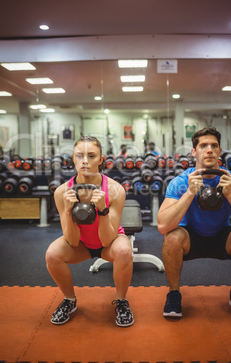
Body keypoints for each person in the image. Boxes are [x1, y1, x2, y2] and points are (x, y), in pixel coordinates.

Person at [157, 127, 231, 320]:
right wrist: (190, 192)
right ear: (194, 152)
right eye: (203, 146)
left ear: (219, 150)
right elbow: (163, 226)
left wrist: (230, 195)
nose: (209, 150)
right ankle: (174, 293)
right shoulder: (181, 182)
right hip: (190, 238)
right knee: (172, 237)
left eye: (213, 146)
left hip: (222, 237)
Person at [46, 135, 134, 327]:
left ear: (101, 160)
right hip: (81, 244)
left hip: (108, 242)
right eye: (79, 156)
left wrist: (102, 210)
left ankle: (121, 301)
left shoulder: (115, 190)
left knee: (124, 251)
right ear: (73, 159)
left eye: (92, 156)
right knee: (52, 254)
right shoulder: (62, 192)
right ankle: (70, 300)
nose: (85, 161)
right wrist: (69, 211)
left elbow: (107, 240)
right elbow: (72, 241)